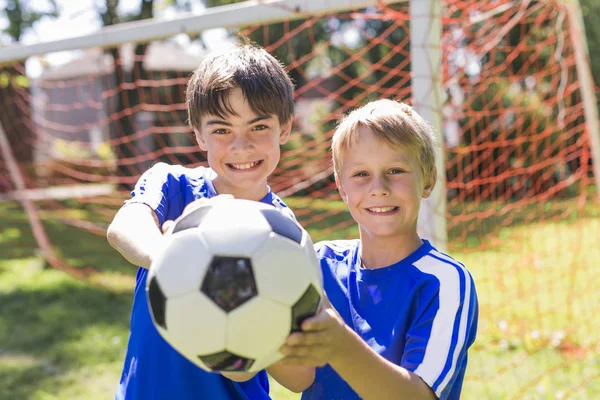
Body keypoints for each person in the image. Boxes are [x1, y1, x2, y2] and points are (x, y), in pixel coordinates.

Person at [107, 43, 313, 400]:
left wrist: (253, 345)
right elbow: (124, 227)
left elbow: (298, 377)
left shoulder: (285, 232)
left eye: (258, 126)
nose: (240, 145)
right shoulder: (173, 185)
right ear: (199, 134)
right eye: (221, 130)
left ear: (285, 129)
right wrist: (171, 258)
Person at [278, 99, 479, 400]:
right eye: (361, 174)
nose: (379, 188)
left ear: (428, 180)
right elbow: (298, 378)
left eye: (396, 170)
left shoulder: (444, 282)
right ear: (341, 187)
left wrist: (340, 343)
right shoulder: (318, 264)